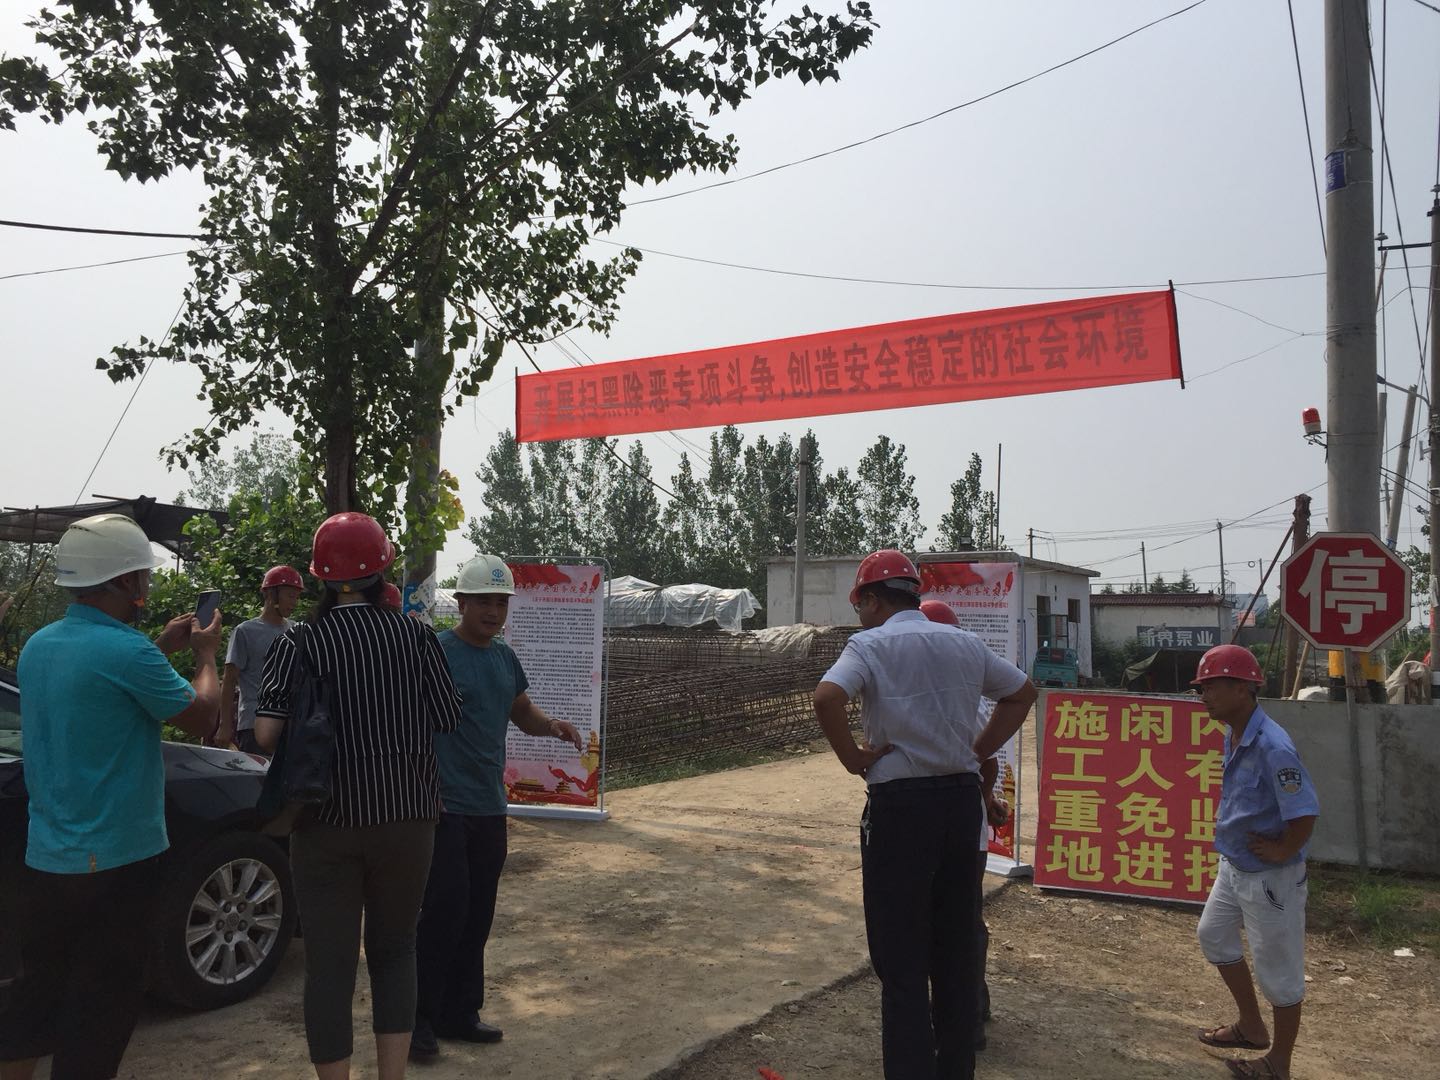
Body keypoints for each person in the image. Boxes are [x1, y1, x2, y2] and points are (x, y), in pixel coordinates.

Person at [0, 513, 222, 1080]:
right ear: (126, 581)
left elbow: (104, 686)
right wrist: (204, 656)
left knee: (36, 998)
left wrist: (157, 646)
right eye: (142, 575)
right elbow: (203, 717)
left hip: (46, 857)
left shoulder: (40, 646)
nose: (146, 584)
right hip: (117, 864)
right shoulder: (127, 653)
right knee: (99, 1012)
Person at [814, 550, 1037, 1080]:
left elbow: (827, 697)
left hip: (901, 808)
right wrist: (978, 751)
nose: (860, 616)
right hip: (960, 805)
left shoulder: (869, 645)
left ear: (873, 600)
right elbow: (1022, 693)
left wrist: (853, 759)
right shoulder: (964, 643)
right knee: (956, 947)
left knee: (901, 955)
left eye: (860, 605)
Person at [255, 512, 462, 1080]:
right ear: (382, 570)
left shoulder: (299, 641)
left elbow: (267, 734)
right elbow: (448, 717)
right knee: (396, 951)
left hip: (323, 821)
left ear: (320, 577)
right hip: (408, 819)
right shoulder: (415, 635)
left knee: (330, 966)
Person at [411, 553, 582, 1061]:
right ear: (461, 603)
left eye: (501, 602)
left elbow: (520, 710)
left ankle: (460, 1013)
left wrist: (552, 726)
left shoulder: (504, 658)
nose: (493, 611)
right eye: (483, 601)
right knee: (444, 911)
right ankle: (418, 1020)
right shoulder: (436, 652)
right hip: (443, 805)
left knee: (478, 912)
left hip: (489, 806)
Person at [1192, 644, 1318, 1080]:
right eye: (1201, 688)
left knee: (1279, 973)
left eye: (1212, 687)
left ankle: (1278, 1064)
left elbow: (1304, 811)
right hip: (1236, 866)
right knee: (1213, 936)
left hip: (1270, 879)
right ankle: (1251, 1026)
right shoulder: (1236, 734)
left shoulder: (1272, 746)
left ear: (1243, 689)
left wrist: (1284, 850)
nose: (1204, 696)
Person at [919, 598, 1006, 1052]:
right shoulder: (961, 695)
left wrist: (984, 800)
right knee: (964, 920)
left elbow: (986, 762)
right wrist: (986, 801)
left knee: (952, 924)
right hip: (963, 829)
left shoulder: (947, 699)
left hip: (949, 830)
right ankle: (973, 1006)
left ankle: (964, 1019)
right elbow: (987, 763)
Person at [215, 565, 303, 754]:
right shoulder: (245, 631)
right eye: (290, 596)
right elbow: (229, 680)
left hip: (289, 723)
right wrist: (224, 725)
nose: (294, 603)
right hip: (253, 724)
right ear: (271, 594)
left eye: (297, 597)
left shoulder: (296, 630)